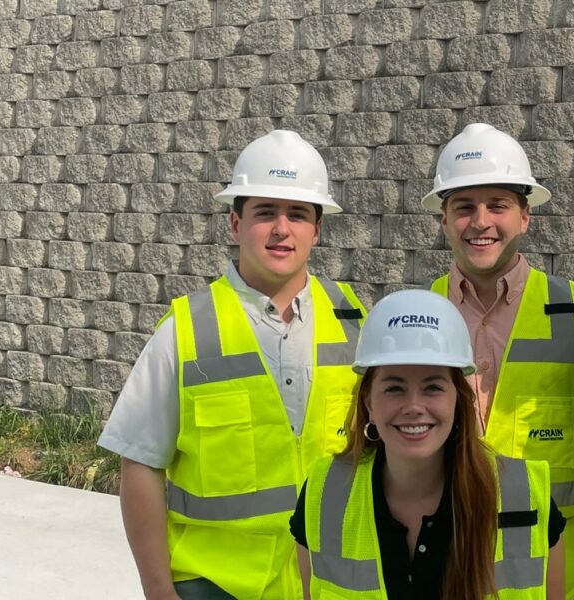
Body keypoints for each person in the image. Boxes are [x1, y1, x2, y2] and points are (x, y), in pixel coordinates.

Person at [98, 130, 367, 600]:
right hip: (214, 586)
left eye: (298, 214)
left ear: (317, 229)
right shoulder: (186, 330)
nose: (282, 229)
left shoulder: (354, 322)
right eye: (265, 212)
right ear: (235, 224)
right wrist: (159, 591)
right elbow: (140, 464)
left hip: (331, 583)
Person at [421, 123, 574, 599]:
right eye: (464, 206)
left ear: (525, 216)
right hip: (447, 576)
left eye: (497, 205)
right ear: (443, 219)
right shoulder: (418, 322)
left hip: (556, 580)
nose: (480, 222)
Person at [291, 289, 566, 599]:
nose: (413, 406)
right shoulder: (325, 495)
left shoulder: (523, 496)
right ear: (368, 401)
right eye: (394, 388)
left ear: (457, 401)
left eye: (432, 387)